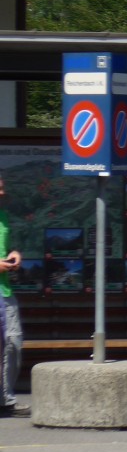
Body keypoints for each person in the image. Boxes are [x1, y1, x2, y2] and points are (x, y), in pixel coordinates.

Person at [0, 173, 29, 417]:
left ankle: (6, 399)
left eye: (2, 188)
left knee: (13, 344)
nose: (2, 193)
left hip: (5, 292)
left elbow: (8, 246)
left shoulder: (3, 217)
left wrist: (14, 254)